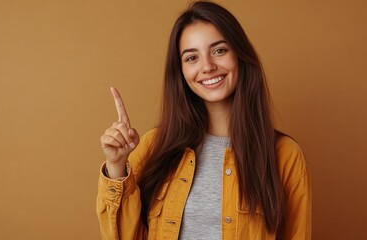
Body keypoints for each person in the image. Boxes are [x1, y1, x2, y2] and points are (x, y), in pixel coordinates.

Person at [97, 1, 311, 239]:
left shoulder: (285, 156)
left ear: (239, 55)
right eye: (191, 58)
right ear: (180, 72)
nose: (207, 66)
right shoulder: (154, 145)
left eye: (219, 50)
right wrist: (116, 166)